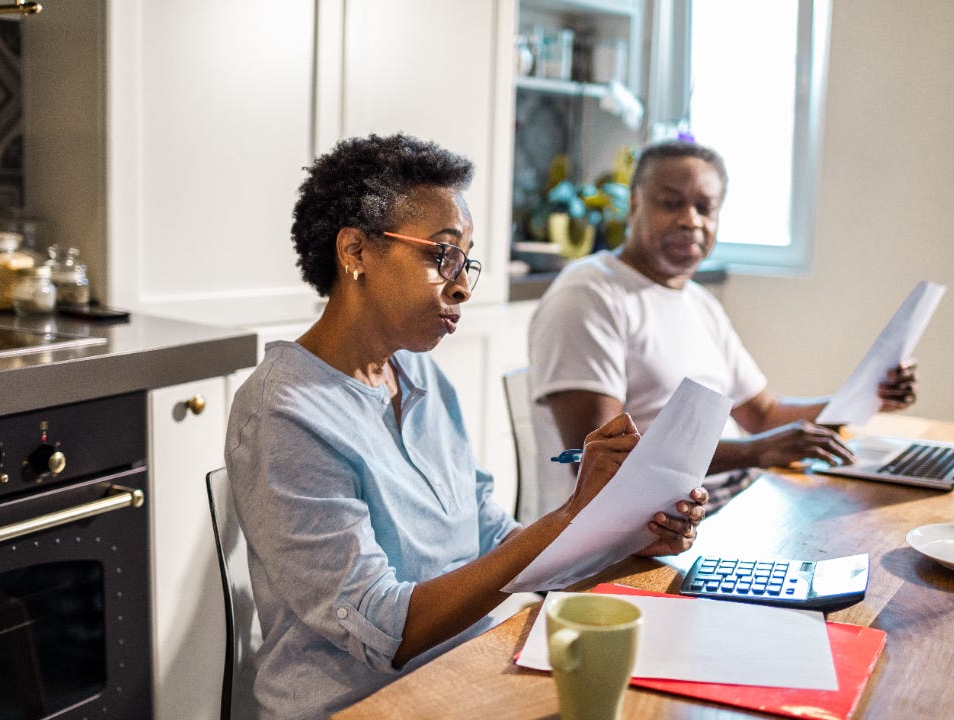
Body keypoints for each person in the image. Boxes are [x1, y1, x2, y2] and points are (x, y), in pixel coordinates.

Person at [224, 133, 709, 720]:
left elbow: (493, 537)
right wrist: (568, 516)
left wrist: (624, 541)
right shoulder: (284, 412)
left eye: (465, 262)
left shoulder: (423, 380)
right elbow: (385, 628)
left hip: (467, 676)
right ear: (354, 251)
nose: (460, 285)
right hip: (363, 705)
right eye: (440, 256)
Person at [527, 139, 917, 519]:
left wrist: (869, 394)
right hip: (643, 531)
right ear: (633, 205)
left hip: (725, 502)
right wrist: (754, 451)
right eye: (671, 203)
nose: (690, 220)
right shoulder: (590, 294)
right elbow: (599, 461)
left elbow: (764, 415)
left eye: (705, 208)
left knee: (867, 521)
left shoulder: (698, 302)